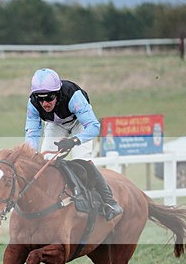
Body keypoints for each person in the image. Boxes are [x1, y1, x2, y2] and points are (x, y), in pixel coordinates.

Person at [24, 68, 123, 221]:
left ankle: (109, 202)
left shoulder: (73, 96)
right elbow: (32, 132)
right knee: (45, 162)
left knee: (81, 161)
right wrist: (30, 155)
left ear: (57, 93)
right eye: (40, 98)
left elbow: (94, 126)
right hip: (55, 125)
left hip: (80, 123)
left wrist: (74, 141)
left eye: (49, 98)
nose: (45, 103)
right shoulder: (33, 103)